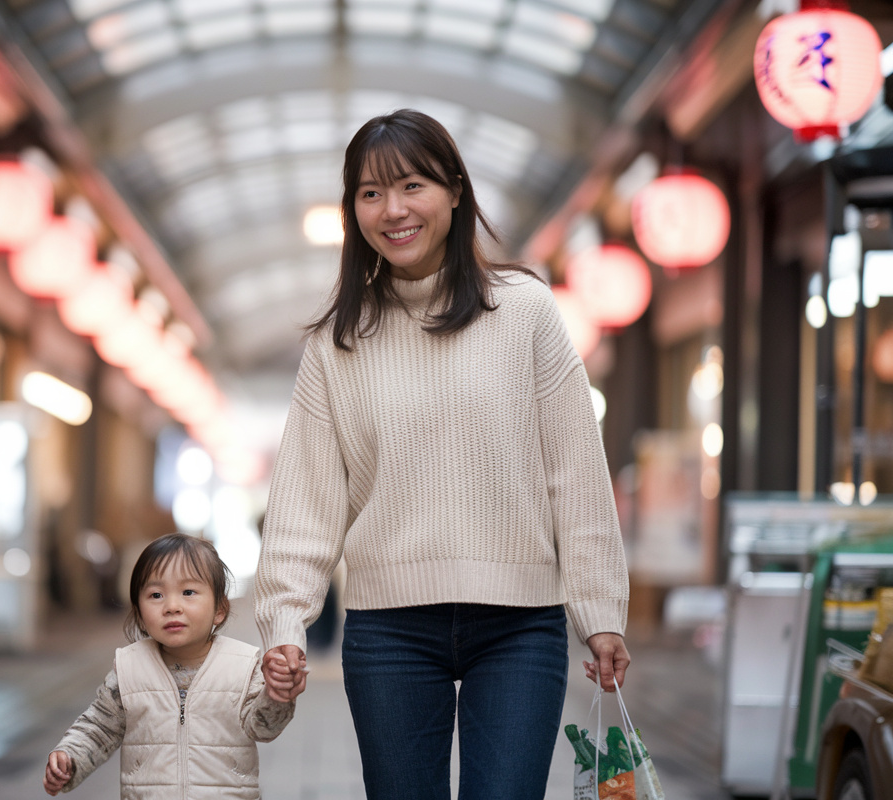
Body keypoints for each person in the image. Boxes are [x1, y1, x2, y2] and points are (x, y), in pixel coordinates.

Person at [253, 108, 632, 800]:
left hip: (520, 625)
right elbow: (306, 500)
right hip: (389, 631)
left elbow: (574, 473)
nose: (393, 210)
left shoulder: (525, 311)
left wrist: (600, 611)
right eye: (370, 193)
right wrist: (285, 621)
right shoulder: (339, 341)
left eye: (413, 186)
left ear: (455, 191)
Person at [44, 533, 295, 798]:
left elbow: (264, 728)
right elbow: (100, 728)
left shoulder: (242, 666)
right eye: (156, 595)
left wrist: (277, 696)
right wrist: (70, 756)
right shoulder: (130, 669)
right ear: (139, 614)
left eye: (188, 592)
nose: (172, 606)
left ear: (220, 608)